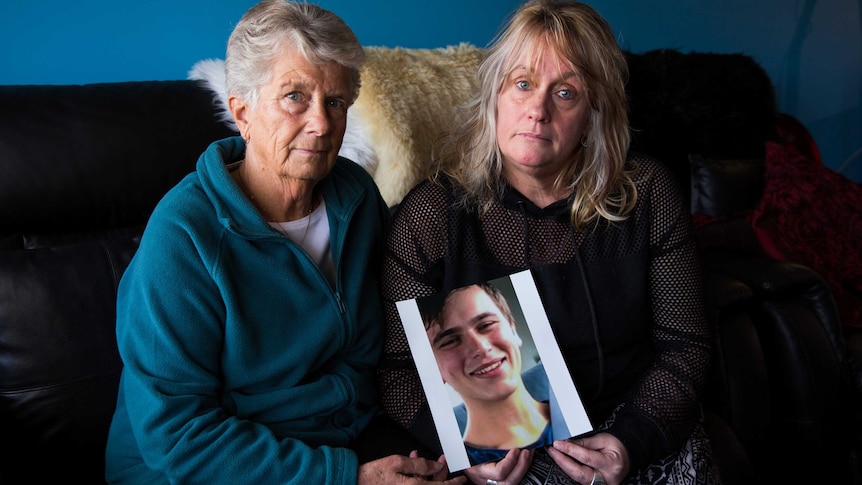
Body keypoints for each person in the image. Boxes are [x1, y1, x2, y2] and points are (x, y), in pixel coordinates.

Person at [104, 1, 465, 484]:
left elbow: (403, 329)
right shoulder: (183, 239)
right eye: (295, 96)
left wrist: (475, 430)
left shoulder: (355, 196)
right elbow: (176, 436)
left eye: (335, 101)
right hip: (210, 467)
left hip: (341, 437)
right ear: (243, 113)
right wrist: (346, 478)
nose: (321, 124)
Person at [378, 1, 721, 484]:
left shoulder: (648, 194)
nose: (537, 111)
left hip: (632, 425)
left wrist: (632, 439)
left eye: (565, 93)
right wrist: (466, 447)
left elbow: (685, 346)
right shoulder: (430, 214)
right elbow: (395, 372)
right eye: (522, 84)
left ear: (593, 114)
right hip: (501, 445)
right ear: (495, 93)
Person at [421, 283, 552, 465]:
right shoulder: (448, 466)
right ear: (433, 370)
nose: (481, 348)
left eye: (486, 325)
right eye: (450, 341)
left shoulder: (578, 405)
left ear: (513, 331)